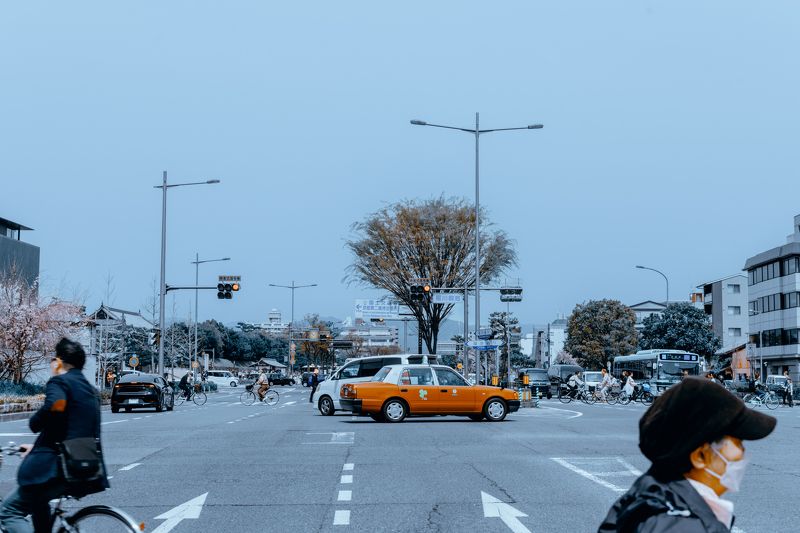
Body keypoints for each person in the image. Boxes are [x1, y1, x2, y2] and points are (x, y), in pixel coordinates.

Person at [598, 377, 776, 532]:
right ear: (700, 456)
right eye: (738, 442)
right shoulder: (682, 526)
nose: (742, 452)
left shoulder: (650, 500)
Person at [0, 338, 109, 533]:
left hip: (58, 467)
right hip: (86, 467)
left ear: (58, 362)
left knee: (10, 511)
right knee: (39, 502)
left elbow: (57, 405)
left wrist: (34, 423)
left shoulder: (60, 382)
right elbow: (71, 429)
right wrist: (37, 447)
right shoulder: (91, 391)